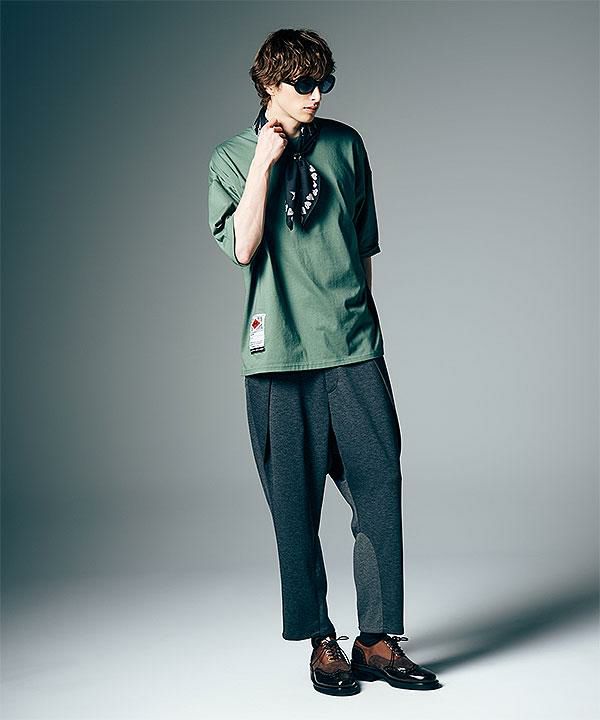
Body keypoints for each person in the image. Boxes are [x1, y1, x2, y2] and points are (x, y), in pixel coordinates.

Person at [207, 27, 440, 696]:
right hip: (279, 356)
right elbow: (244, 247)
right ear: (269, 85)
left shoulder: (345, 145)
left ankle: (378, 639)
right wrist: (265, 161)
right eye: (302, 84)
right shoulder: (232, 158)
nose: (315, 96)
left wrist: (360, 320)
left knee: (380, 489)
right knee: (294, 506)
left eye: (324, 83)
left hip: (351, 348)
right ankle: (320, 641)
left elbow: (362, 243)